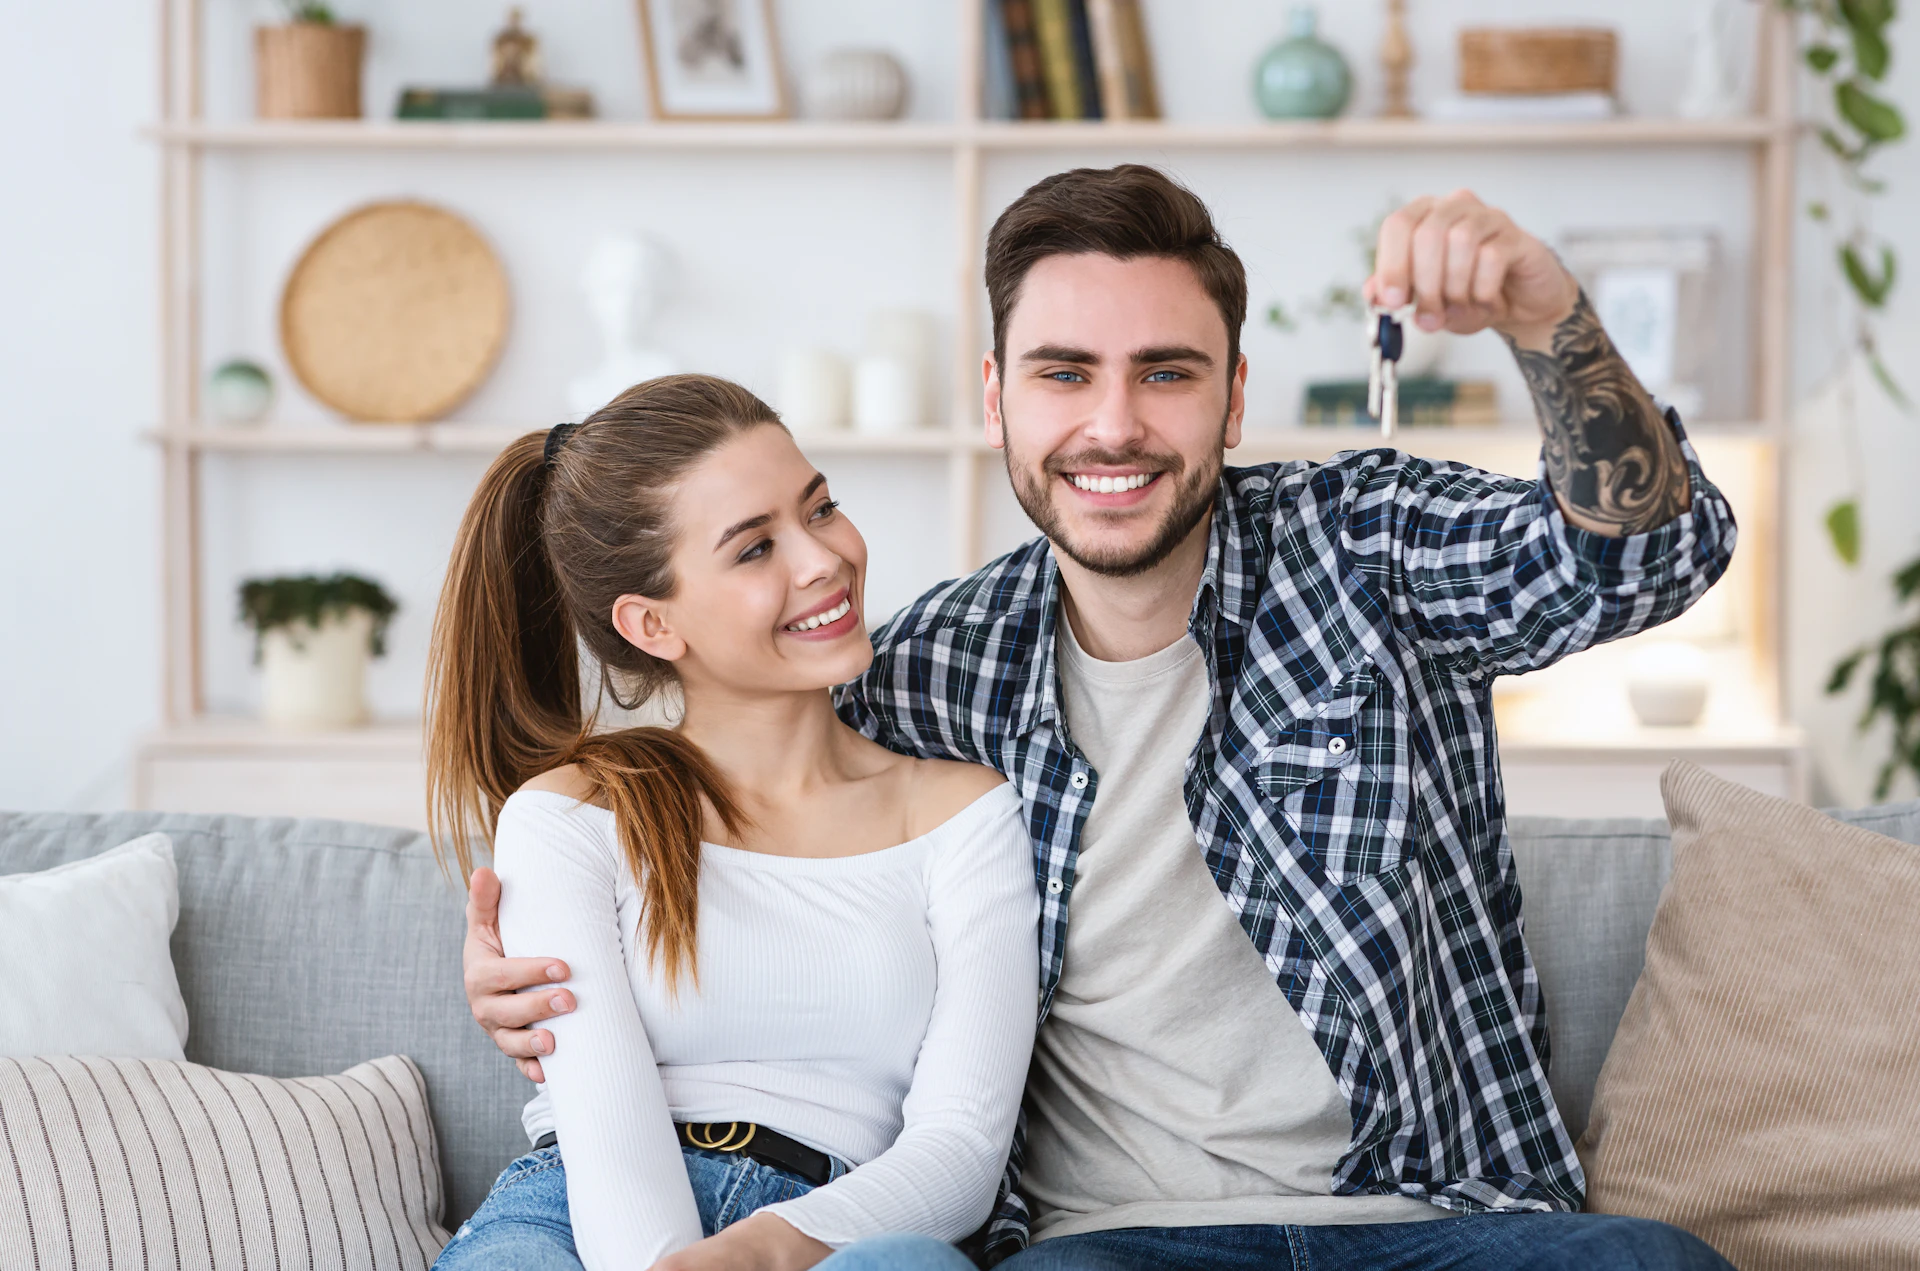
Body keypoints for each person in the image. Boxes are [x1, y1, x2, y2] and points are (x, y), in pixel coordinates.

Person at [463, 167, 1742, 1271]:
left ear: (1234, 400)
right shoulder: (927, 674)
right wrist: (528, 966)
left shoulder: (1369, 549)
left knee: (1653, 1258)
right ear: (996, 398)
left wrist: (1545, 315)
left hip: (1433, 1221)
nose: (1113, 423)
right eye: (1064, 372)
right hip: (1104, 1242)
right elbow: (731, 778)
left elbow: (1648, 559)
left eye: (1166, 373)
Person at [425, 375, 1039, 1271]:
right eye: (755, 549)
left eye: (820, 507)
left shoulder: (962, 815)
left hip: (839, 1229)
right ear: (651, 622)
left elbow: (960, 1150)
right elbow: (606, 1135)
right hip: (574, 1219)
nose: (823, 558)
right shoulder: (574, 813)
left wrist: (765, 1250)